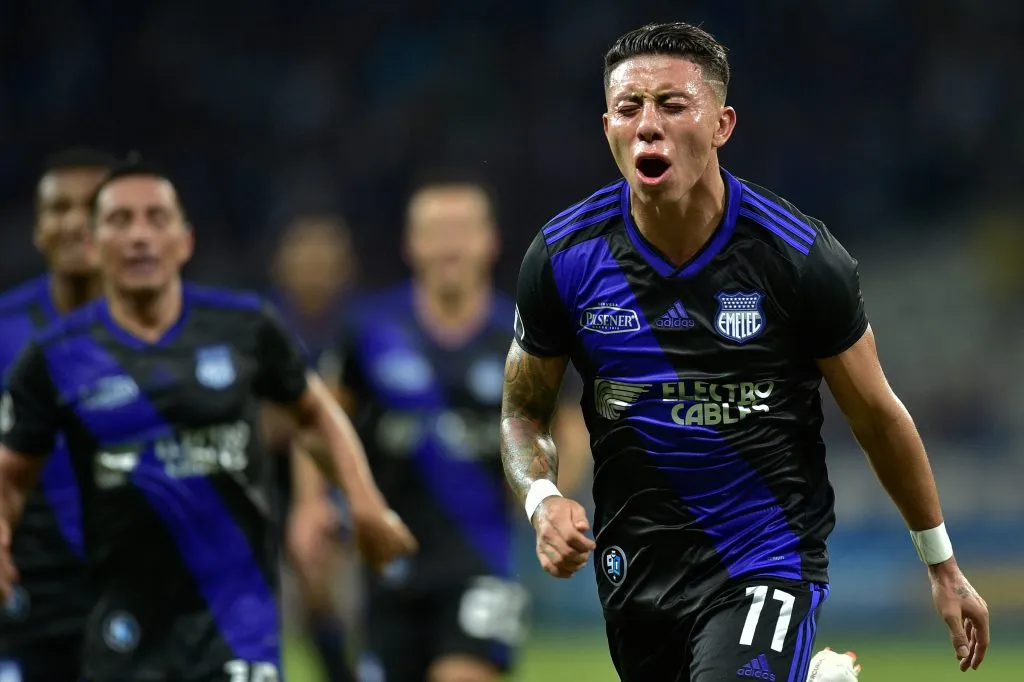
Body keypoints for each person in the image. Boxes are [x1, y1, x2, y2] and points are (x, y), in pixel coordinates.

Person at [501, 21, 990, 682]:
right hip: (637, 565)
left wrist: (943, 565)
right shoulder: (564, 257)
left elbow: (877, 417)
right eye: (629, 108)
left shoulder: (798, 259)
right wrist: (542, 499)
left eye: (673, 105)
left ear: (723, 124)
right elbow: (521, 413)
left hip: (766, 555)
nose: (649, 125)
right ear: (608, 128)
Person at [0, 161, 416, 682]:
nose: (139, 236)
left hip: (237, 616)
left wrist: (363, 502)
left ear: (184, 240)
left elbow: (315, 413)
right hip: (122, 617)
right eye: (121, 221)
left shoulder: (244, 327)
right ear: (95, 242)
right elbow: (12, 476)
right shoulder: (55, 357)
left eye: (156, 219)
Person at [291, 176, 589, 682]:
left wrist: (543, 500)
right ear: (412, 244)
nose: (450, 243)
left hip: (482, 562)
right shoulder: (369, 329)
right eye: (436, 230)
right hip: (389, 560)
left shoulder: (518, 334)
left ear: (489, 241)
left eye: (462, 229)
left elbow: (571, 426)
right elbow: (317, 418)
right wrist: (312, 503)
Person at [0, 148, 117, 682]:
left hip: (139, 584)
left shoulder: (171, 334)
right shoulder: (4, 331)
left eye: (92, 207)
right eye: (59, 208)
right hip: (27, 588)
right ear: (38, 228)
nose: (74, 223)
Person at [266, 214, 359, 682]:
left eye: (326, 261)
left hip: (342, 484)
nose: (315, 271)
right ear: (282, 265)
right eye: (305, 259)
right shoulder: (263, 328)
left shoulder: (357, 331)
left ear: (345, 267)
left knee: (330, 605)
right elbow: (257, 421)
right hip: (264, 488)